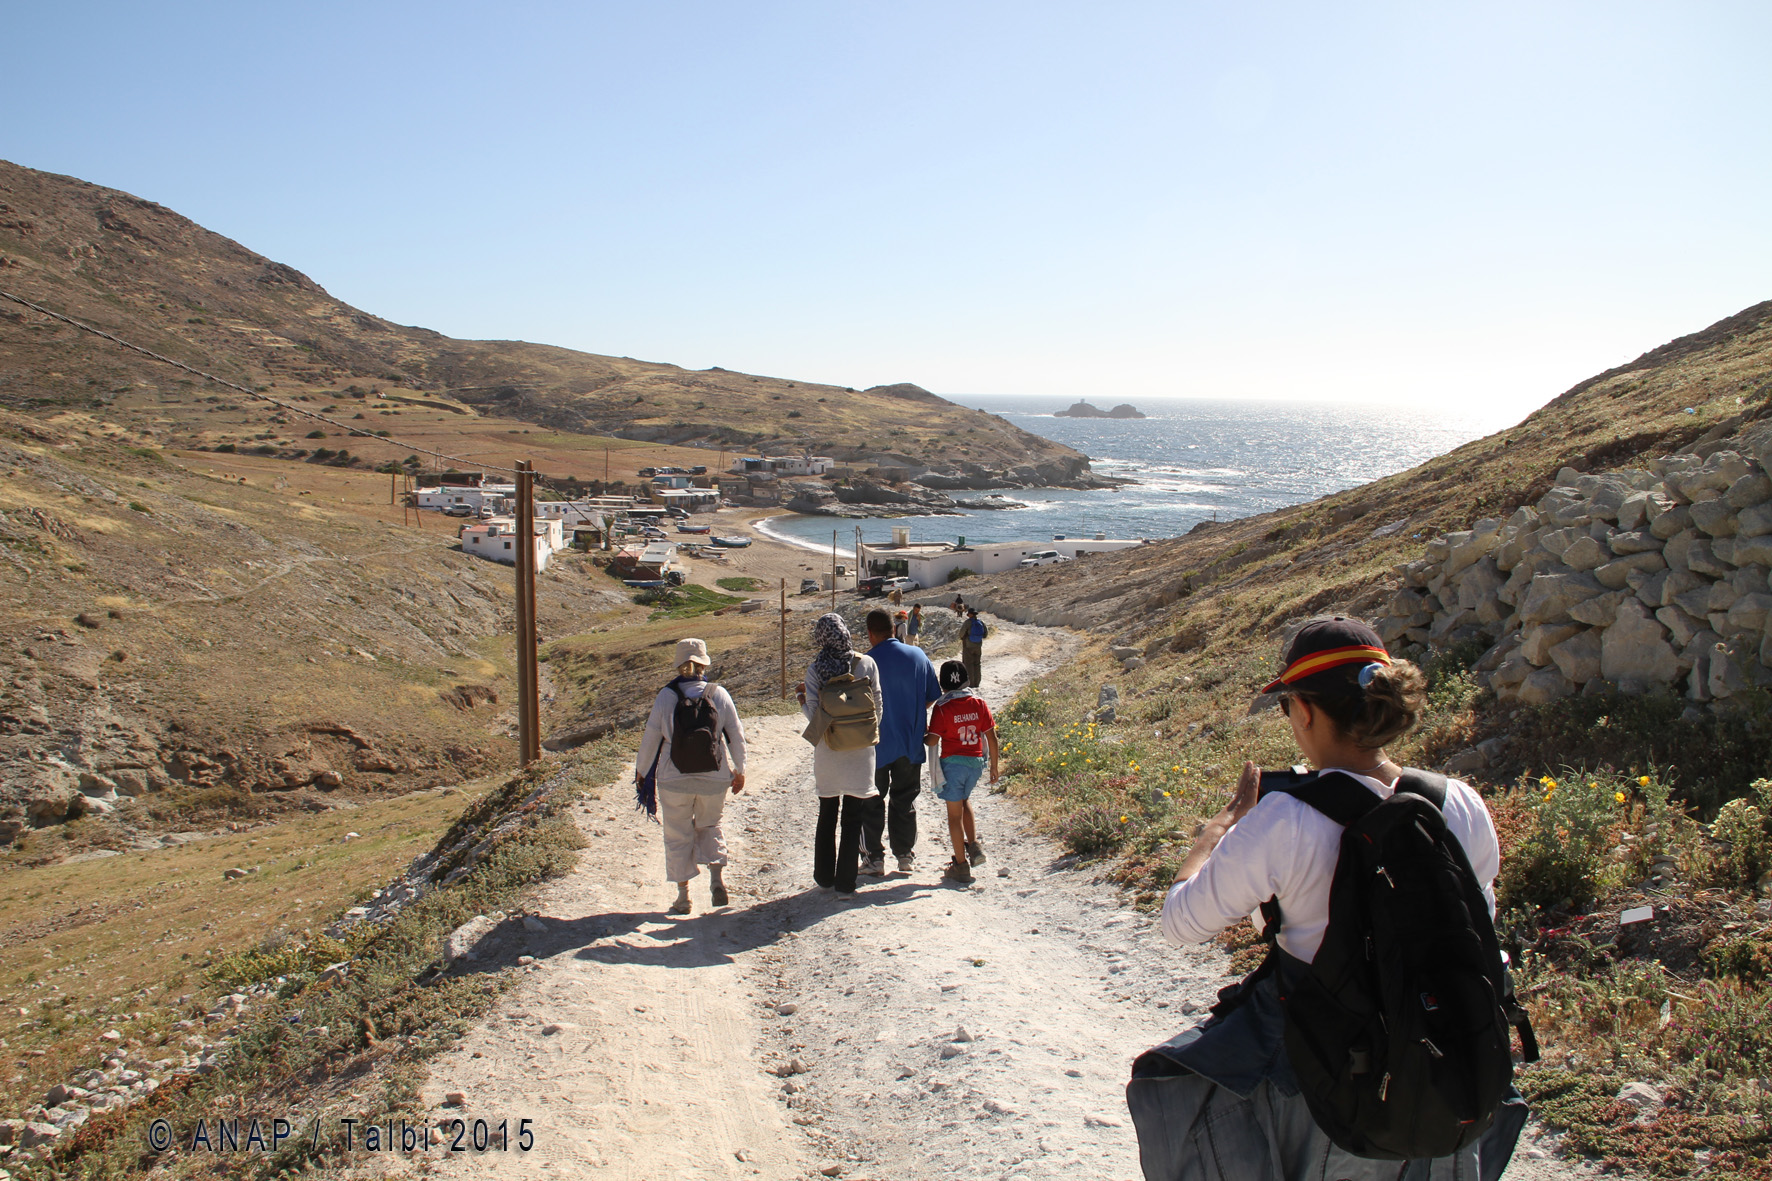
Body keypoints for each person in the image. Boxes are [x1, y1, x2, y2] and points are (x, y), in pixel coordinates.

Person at [1128, 616, 1522, 1181]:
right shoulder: (1458, 802)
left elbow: (1180, 923)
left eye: (1288, 707)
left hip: (1336, 1069)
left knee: (1178, 1081)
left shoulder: (1285, 818)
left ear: (1305, 710)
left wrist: (1213, 835)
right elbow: (1476, 919)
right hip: (1445, 1060)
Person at [634, 638, 747, 916]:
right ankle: (716, 877)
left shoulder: (666, 697)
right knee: (711, 825)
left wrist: (641, 771)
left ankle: (683, 898)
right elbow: (735, 735)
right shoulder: (718, 693)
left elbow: (651, 737)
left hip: (674, 778)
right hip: (714, 777)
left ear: (679, 664)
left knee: (677, 835)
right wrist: (740, 770)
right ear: (703, 664)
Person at [798, 613, 885, 896]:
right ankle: (846, 882)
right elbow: (878, 710)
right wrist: (861, 734)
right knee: (852, 818)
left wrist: (801, 703)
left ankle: (824, 876)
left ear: (821, 638)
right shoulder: (866, 664)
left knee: (827, 815)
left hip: (828, 753)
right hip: (861, 754)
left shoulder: (815, 670)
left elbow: (813, 716)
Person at [859, 608, 942, 875]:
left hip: (875, 746)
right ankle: (904, 855)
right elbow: (932, 695)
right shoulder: (918, 655)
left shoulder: (864, 662)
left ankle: (874, 858)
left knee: (871, 800)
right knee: (904, 799)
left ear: (870, 634)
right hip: (910, 742)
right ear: (894, 630)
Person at [924, 660, 998, 884]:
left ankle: (961, 865)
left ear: (943, 686)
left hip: (952, 765)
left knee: (953, 816)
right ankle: (973, 845)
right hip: (975, 764)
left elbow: (933, 740)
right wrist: (994, 766)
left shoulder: (942, 707)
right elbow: (991, 737)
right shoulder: (978, 703)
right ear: (966, 680)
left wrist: (922, 733)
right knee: (965, 802)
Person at [961, 607, 987, 687]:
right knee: (977, 664)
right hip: (978, 646)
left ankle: (970, 683)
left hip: (968, 646)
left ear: (970, 615)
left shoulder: (967, 623)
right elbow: (985, 634)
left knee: (969, 664)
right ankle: (977, 682)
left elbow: (961, 634)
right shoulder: (981, 622)